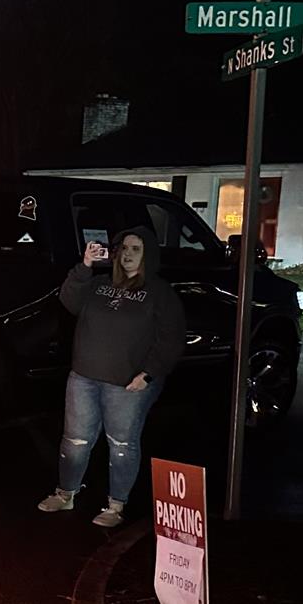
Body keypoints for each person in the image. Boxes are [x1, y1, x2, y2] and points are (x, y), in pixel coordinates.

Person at [39, 226, 185, 528]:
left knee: (122, 444)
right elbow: (69, 301)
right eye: (123, 249)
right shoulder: (99, 284)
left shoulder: (159, 292)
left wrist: (148, 374)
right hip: (84, 377)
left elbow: (171, 339)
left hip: (128, 383)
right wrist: (86, 266)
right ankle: (65, 493)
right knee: (75, 441)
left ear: (148, 254)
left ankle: (116, 506)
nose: (128, 254)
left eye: (136, 249)